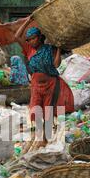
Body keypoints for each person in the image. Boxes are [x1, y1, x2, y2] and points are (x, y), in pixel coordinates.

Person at [14, 20, 74, 153]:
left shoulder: (49, 49)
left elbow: (56, 65)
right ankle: (36, 136)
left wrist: (58, 48)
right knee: (35, 111)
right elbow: (17, 36)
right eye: (28, 40)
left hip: (50, 84)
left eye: (33, 38)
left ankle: (44, 139)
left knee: (48, 111)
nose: (30, 41)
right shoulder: (29, 50)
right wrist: (27, 21)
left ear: (40, 38)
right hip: (36, 84)